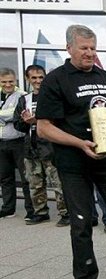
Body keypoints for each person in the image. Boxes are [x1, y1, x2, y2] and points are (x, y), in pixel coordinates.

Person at [36, 24, 106, 279]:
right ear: (69, 48)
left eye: (93, 48)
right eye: (84, 48)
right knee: (82, 222)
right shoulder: (56, 80)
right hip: (74, 164)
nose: (90, 53)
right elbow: (44, 128)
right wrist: (80, 143)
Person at [13, 64, 69, 226]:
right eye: (34, 78)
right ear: (28, 79)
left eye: (40, 77)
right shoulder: (24, 100)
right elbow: (18, 124)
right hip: (31, 147)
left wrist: (38, 120)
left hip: (51, 148)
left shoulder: (53, 97)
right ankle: (41, 212)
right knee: (35, 183)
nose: (37, 81)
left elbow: (60, 120)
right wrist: (26, 122)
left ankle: (65, 213)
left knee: (58, 184)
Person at [0, 67, 34, 220]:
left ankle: (31, 210)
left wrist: (4, 115)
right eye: (4, 82)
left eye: (10, 81)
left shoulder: (22, 96)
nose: (7, 84)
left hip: (19, 142)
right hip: (2, 143)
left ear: (16, 81)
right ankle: (8, 209)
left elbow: (14, 116)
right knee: (5, 178)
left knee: (25, 177)